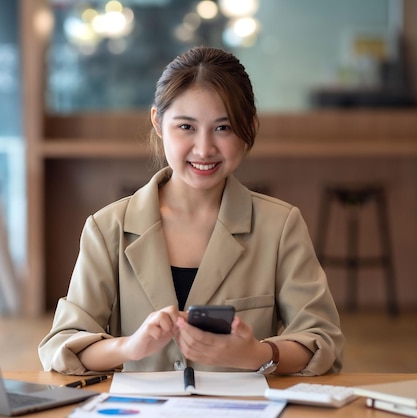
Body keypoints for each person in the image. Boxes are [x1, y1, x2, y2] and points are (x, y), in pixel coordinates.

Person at [39, 46, 343, 376]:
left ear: (249, 128)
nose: (204, 148)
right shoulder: (107, 227)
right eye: (186, 127)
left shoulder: (280, 226)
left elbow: (322, 341)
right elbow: (62, 344)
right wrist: (129, 346)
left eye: (223, 127)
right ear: (158, 122)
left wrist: (256, 353)